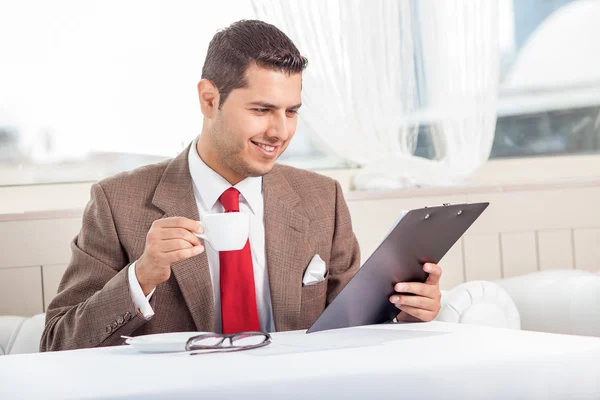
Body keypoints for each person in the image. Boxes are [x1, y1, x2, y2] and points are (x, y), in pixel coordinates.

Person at [40, 20, 442, 352]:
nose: (279, 131)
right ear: (209, 99)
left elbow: (348, 326)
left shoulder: (323, 199)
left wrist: (404, 314)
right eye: (262, 110)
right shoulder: (116, 203)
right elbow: (56, 344)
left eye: (291, 111)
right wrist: (141, 276)